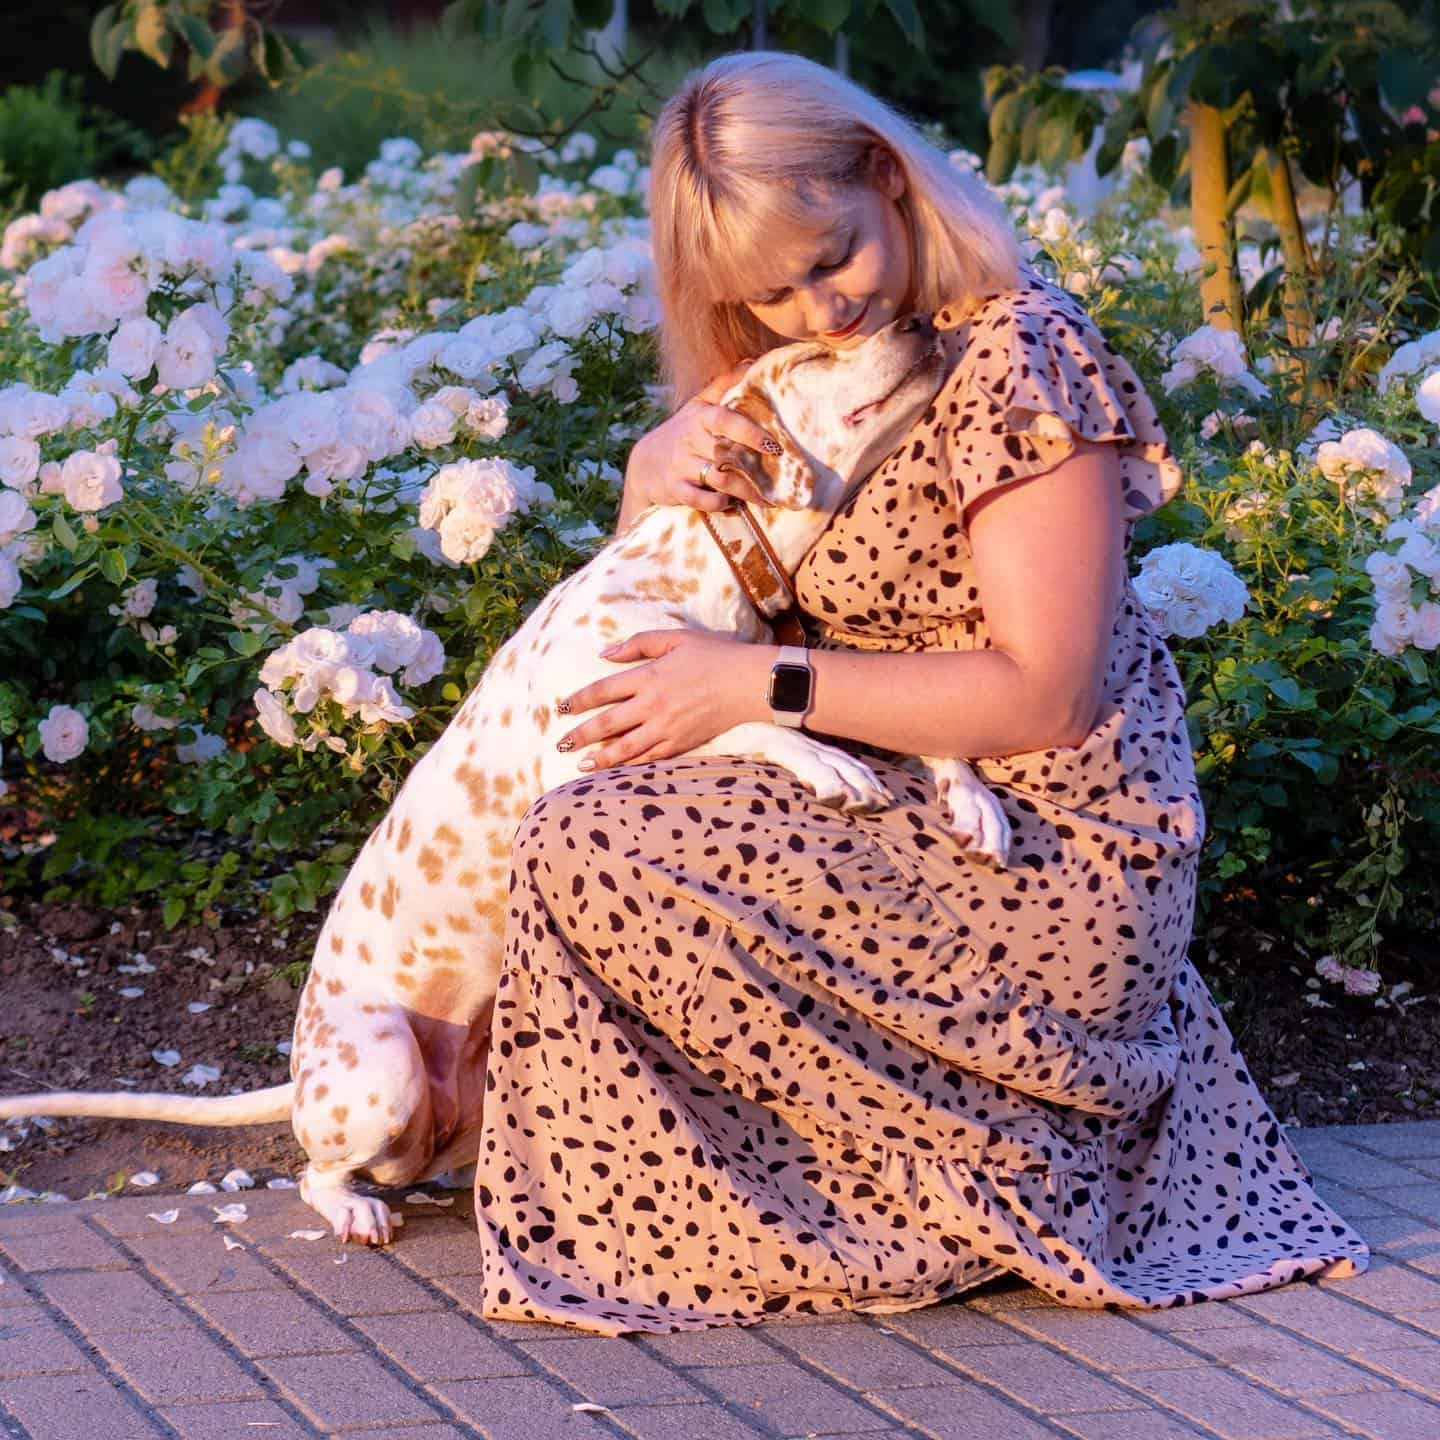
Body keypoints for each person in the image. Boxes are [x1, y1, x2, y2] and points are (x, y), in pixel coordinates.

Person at [468, 50, 1369, 1334]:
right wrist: (648, 474)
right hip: (892, 806)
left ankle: (994, 1167)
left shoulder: (1018, 355)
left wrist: (751, 685)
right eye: (766, 294)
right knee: (576, 823)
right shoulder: (802, 377)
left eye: (830, 258)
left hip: (1051, 854)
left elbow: (1045, 695)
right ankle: (842, 1181)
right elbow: (684, 601)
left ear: (889, 178)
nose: (813, 308)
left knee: (599, 847)